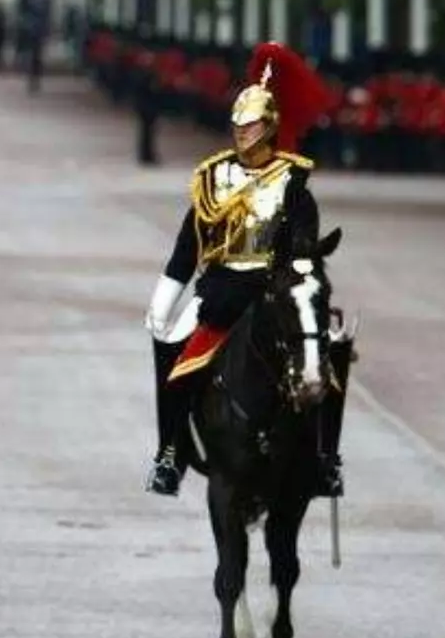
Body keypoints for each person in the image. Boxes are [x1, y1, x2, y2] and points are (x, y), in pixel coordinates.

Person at [144, 41, 350, 500]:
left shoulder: (293, 184)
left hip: (276, 289)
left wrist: (291, 277)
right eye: (238, 124)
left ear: (270, 126)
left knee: (330, 356)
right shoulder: (214, 178)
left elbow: (303, 248)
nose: (242, 133)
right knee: (169, 349)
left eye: (252, 124)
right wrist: (166, 296)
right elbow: (189, 244)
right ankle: (170, 452)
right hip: (220, 290)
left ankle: (324, 460)